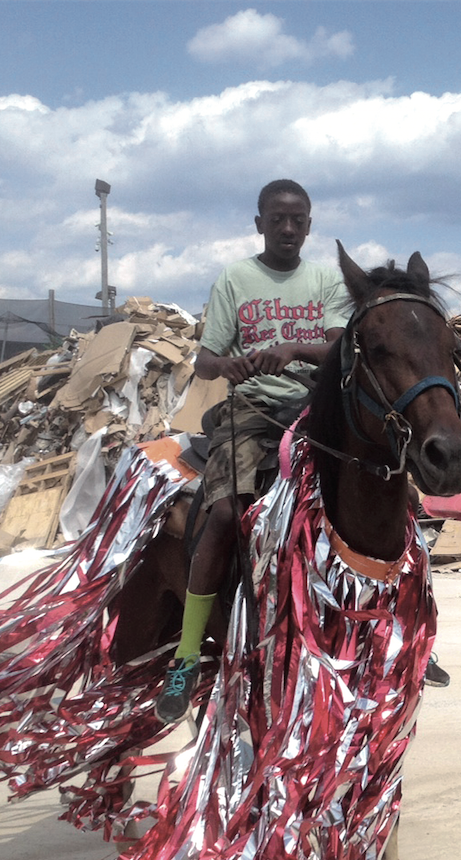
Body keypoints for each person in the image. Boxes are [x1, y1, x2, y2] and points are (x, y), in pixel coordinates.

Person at [156, 179, 350, 723]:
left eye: (298, 220)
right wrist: (230, 366)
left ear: (309, 226)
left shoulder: (324, 279)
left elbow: (337, 344)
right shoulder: (236, 279)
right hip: (253, 412)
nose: (288, 229)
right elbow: (205, 360)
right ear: (259, 222)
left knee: (388, 496)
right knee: (221, 514)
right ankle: (188, 654)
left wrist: (293, 349)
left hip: (316, 411)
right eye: (277, 219)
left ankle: (407, 631)